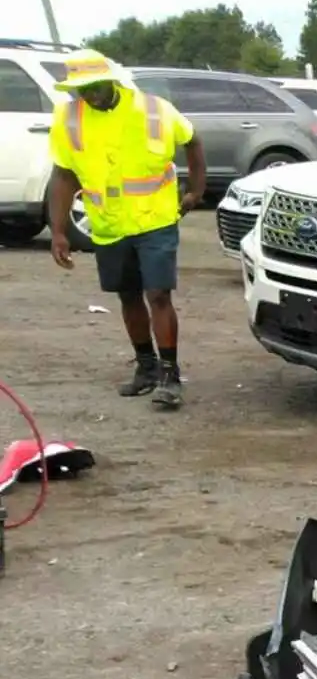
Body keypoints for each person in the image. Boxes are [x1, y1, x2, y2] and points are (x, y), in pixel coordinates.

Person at [46, 51, 206, 410]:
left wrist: (196, 189)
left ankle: (170, 375)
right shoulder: (68, 119)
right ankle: (146, 368)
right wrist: (58, 230)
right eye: (81, 89)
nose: (90, 94)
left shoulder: (154, 109)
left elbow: (192, 141)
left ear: (112, 80)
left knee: (158, 294)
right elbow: (63, 174)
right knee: (128, 295)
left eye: (95, 86)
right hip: (109, 225)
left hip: (156, 219)